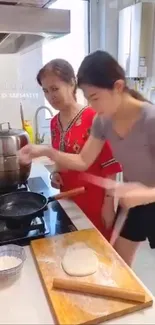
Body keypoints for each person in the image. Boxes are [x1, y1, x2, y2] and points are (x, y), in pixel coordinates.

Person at [19, 50, 155, 266]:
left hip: (145, 196)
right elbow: (83, 161)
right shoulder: (103, 121)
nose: (91, 106)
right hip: (135, 200)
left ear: (118, 87)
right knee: (117, 264)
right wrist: (46, 151)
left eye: (94, 98)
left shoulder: (150, 120)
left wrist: (145, 194)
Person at [36, 58, 121, 241]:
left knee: (97, 254)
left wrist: (108, 205)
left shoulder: (95, 118)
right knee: (72, 251)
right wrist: (55, 175)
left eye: (55, 88)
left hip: (95, 202)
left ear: (72, 83)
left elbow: (111, 166)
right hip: (67, 200)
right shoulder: (53, 123)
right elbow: (60, 159)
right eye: (46, 91)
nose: (51, 96)